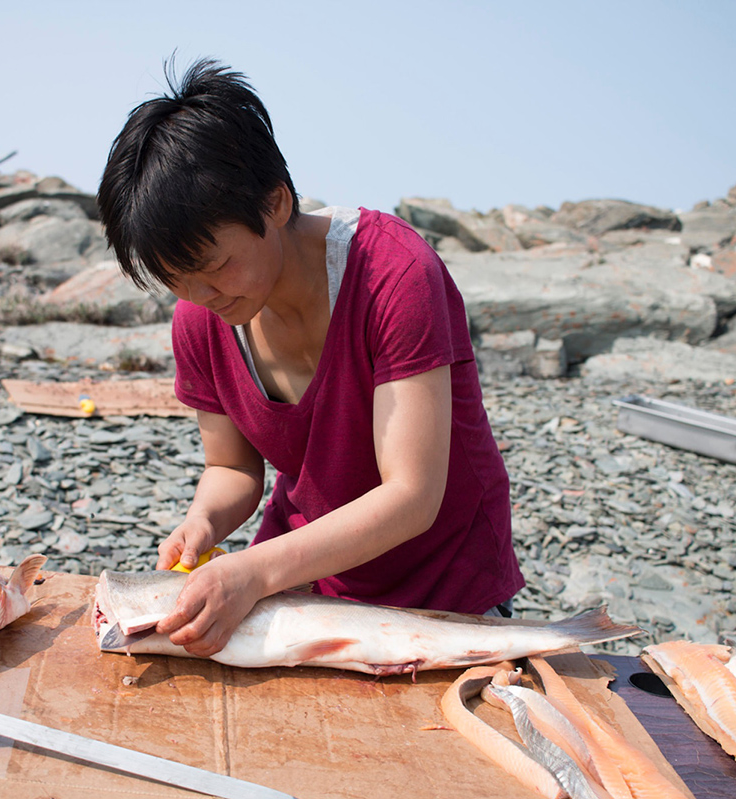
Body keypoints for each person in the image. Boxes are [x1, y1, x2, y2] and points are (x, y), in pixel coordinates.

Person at [96, 58, 523, 659]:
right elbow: (232, 470)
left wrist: (252, 572)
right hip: (305, 580)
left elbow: (412, 495)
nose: (200, 296)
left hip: (445, 592)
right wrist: (204, 523)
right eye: (176, 279)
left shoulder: (394, 275)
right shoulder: (202, 316)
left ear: (274, 202)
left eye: (215, 266)